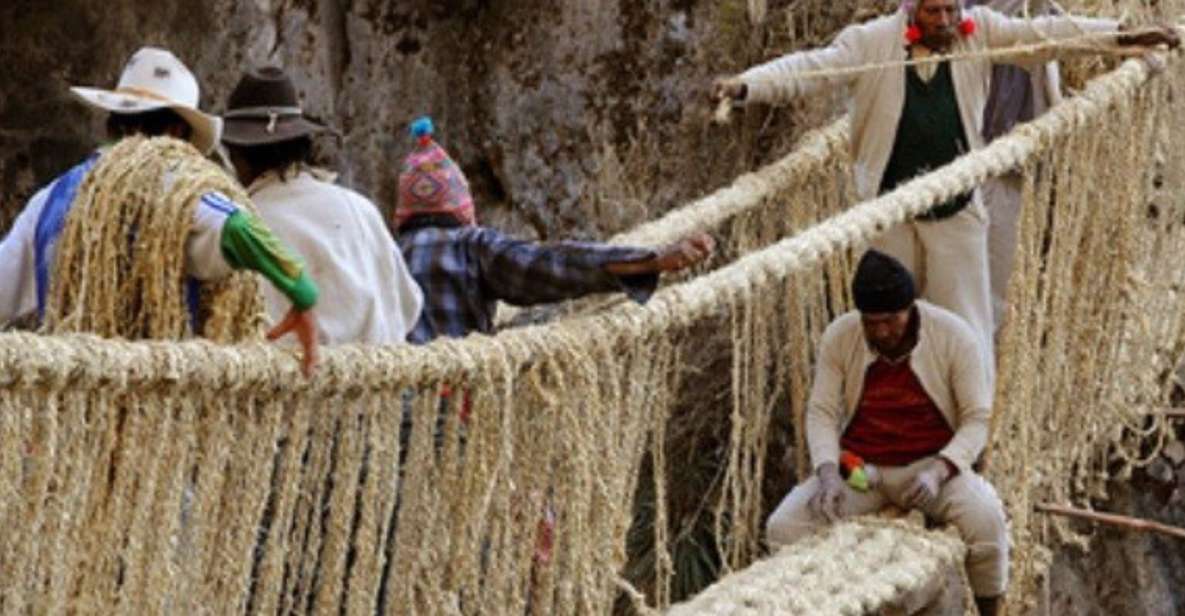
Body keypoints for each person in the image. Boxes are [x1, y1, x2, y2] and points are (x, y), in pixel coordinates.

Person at [712, 0, 1179, 376]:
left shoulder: (978, 32)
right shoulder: (873, 42)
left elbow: (1043, 38)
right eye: (934, 12)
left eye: (952, 11)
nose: (946, 22)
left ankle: (968, 442)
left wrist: (1122, 37)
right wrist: (745, 87)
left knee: (967, 327)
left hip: (956, 207)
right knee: (888, 320)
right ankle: (894, 429)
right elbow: (811, 69)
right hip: (889, 209)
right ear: (909, 12)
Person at [0, 47, 321, 372]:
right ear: (179, 132)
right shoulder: (180, 190)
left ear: (114, 121)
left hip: (72, 398)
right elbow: (238, 228)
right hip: (155, 400)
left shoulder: (51, 198)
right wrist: (302, 293)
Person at [764, 250, 1005, 615]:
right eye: (871, 322)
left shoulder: (954, 335)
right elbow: (822, 411)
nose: (881, 331)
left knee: (987, 520)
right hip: (862, 471)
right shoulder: (840, 336)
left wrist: (940, 471)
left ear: (910, 309)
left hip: (931, 468)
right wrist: (828, 473)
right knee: (784, 527)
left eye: (891, 320)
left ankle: (992, 610)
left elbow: (978, 418)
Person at [395, 116, 715, 344]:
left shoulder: (389, 254)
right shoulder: (471, 246)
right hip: (453, 414)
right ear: (462, 207)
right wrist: (650, 262)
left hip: (386, 416)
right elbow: (549, 265)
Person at [221, 66, 423, 345]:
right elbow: (409, 306)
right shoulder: (361, 208)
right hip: (382, 380)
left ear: (237, 156)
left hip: (295, 382)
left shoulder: (243, 224)